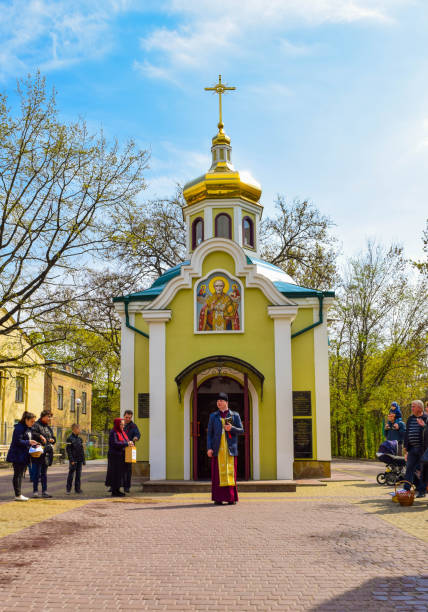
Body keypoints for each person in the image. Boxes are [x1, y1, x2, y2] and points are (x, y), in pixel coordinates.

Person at [207, 392, 244, 505]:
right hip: (217, 449)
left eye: (221, 401)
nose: (219, 403)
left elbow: (242, 430)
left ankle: (231, 498)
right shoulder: (213, 416)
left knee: (230, 473)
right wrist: (209, 448)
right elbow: (210, 434)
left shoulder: (233, 415)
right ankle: (218, 498)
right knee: (217, 475)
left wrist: (231, 428)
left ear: (226, 402)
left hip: (230, 449)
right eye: (218, 401)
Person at [6, 411, 38, 501]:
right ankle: (18, 495)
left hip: (23, 455)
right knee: (18, 475)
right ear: (26, 420)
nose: (33, 423)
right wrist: (29, 442)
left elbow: (31, 436)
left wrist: (34, 441)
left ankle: (19, 494)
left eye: (34, 421)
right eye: (32, 421)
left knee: (20, 475)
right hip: (17, 455)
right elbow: (17, 441)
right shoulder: (19, 428)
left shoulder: (28, 428)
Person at [403, 400, 427, 498]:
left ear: (420, 408)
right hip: (412, 448)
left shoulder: (426, 418)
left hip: (422, 449)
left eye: (413, 406)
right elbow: (406, 433)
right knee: (409, 468)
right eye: (411, 406)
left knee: (422, 471)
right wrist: (405, 446)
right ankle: (406, 489)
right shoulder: (410, 419)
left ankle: (422, 491)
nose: (411, 408)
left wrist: (423, 426)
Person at [31, 410, 56, 498]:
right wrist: (40, 436)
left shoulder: (48, 427)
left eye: (50, 417)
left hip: (46, 453)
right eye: (48, 417)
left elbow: (53, 437)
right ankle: (35, 491)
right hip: (38, 453)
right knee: (36, 473)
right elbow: (33, 433)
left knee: (44, 473)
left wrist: (53, 440)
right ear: (43, 416)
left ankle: (44, 491)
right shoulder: (36, 425)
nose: (50, 419)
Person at [106, 418, 134, 497]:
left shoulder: (122, 432)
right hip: (115, 457)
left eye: (123, 424)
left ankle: (117, 490)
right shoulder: (113, 432)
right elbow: (115, 443)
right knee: (115, 474)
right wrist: (126, 443)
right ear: (117, 424)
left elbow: (126, 440)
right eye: (121, 424)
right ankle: (115, 491)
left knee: (120, 474)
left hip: (121, 456)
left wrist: (130, 442)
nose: (123, 426)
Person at [123, 410, 140, 493]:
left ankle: (127, 487)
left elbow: (137, 434)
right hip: (120, 449)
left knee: (128, 469)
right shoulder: (121, 425)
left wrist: (136, 437)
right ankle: (115, 486)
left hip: (129, 449)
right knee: (118, 468)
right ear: (124, 416)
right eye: (126, 417)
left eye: (129, 417)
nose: (128, 419)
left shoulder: (133, 426)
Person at [65, 423, 86, 494]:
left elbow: (82, 450)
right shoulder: (69, 438)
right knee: (71, 474)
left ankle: (77, 489)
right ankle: (68, 489)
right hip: (73, 460)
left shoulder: (80, 439)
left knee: (78, 475)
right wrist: (71, 460)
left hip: (79, 459)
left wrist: (83, 460)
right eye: (79, 428)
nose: (80, 430)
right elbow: (68, 450)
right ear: (74, 429)